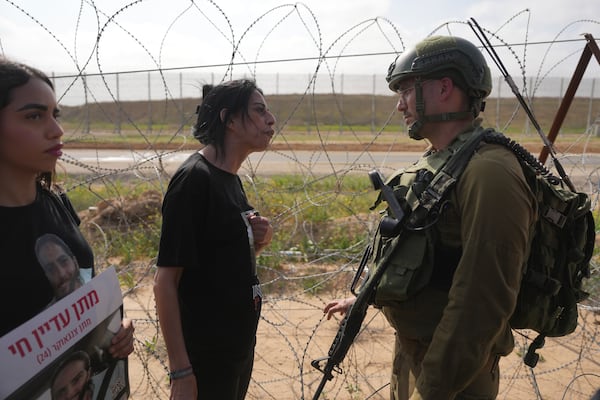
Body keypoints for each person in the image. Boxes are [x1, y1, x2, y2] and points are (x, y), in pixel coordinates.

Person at [324, 35, 537, 400]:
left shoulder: (489, 171)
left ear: (443, 88)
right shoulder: (439, 161)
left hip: (455, 370)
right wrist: (368, 297)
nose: (399, 105)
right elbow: (424, 254)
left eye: (406, 90)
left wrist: (435, 387)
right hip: (415, 352)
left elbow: (482, 302)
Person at [0, 57, 134, 358]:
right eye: (34, 116)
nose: (57, 130)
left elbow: (82, 293)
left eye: (54, 114)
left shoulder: (55, 202)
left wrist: (112, 329)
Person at [154, 79, 276, 399]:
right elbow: (164, 281)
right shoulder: (195, 179)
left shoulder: (230, 178)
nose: (271, 120)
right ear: (230, 120)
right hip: (204, 359)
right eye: (260, 111)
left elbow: (219, 258)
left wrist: (257, 241)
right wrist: (181, 371)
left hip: (234, 352)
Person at [35, 233, 89, 300]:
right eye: (51, 269)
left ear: (75, 262)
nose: (61, 274)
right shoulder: (51, 310)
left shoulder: (99, 285)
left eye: (64, 261)